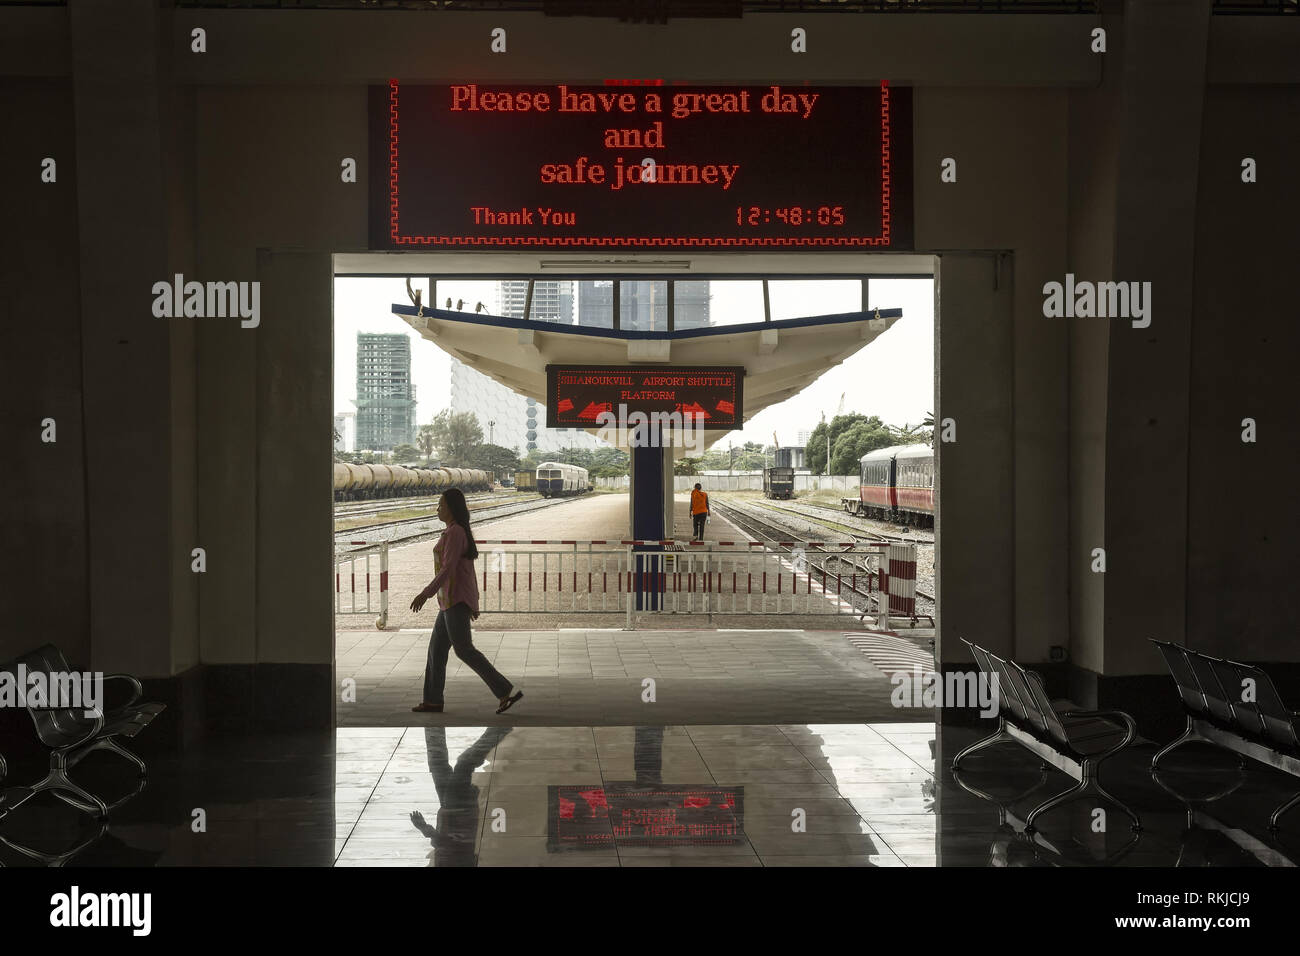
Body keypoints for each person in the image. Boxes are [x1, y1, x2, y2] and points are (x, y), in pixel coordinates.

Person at [410, 488, 523, 715]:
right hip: (449, 601)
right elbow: (466, 571)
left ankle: (504, 690)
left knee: (464, 649)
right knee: (436, 651)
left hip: (454, 601)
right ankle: (432, 701)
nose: (437, 509)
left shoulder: (455, 533)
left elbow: (449, 569)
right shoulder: (455, 531)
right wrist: (473, 601)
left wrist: (426, 593)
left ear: (451, 508)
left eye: (441, 505)